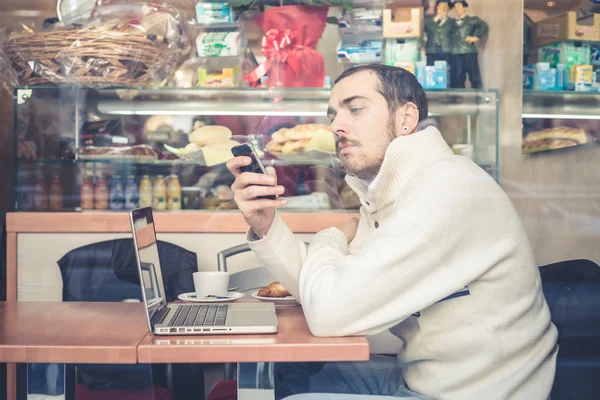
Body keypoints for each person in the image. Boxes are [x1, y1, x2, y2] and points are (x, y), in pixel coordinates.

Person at [226, 64, 558, 400]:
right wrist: (267, 225)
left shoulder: (445, 188)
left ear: (406, 118)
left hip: (478, 394)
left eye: (355, 109)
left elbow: (329, 312)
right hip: (421, 381)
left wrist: (332, 235)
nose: (337, 126)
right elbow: (324, 297)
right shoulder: (391, 193)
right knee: (284, 374)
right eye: (333, 115)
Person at [450, 0, 488, 88]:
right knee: (458, 78)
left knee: (474, 76)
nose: (457, 9)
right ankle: (458, 99)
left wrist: (476, 37)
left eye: (459, 6)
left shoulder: (472, 20)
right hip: (456, 52)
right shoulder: (452, 22)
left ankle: (478, 97)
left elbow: (483, 25)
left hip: (469, 51)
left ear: (464, 8)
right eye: (455, 7)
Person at [423, 0, 457, 67]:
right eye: (441, 6)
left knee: (447, 70)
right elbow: (421, 33)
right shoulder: (427, 22)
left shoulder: (452, 22)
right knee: (431, 70)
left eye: (445, 7)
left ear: (449, 9)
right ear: (437, 7)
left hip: (447, 51)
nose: (443, 8)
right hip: (431, 50)